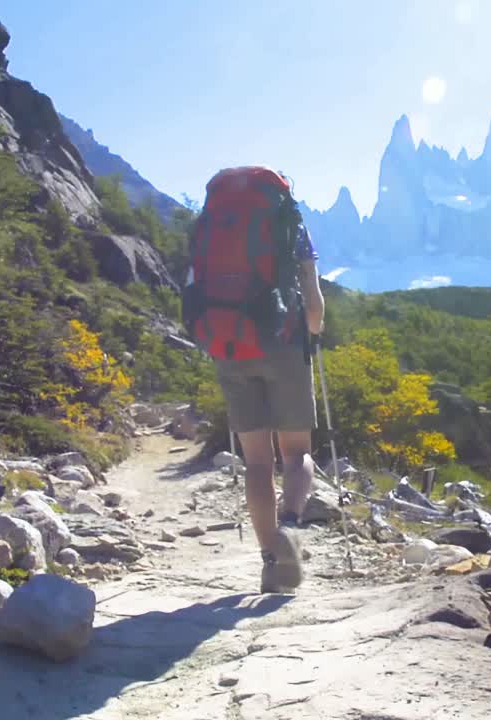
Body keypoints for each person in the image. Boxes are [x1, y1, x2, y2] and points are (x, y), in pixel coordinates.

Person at [185, 167, 325, 594]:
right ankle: (289, 521)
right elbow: (313, 301)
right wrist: (313, 336)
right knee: (297, 452)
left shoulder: (209, 224)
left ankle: (270, 563)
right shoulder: (289, 222)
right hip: (282, 343)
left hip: (230, 348)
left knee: (257, 462)